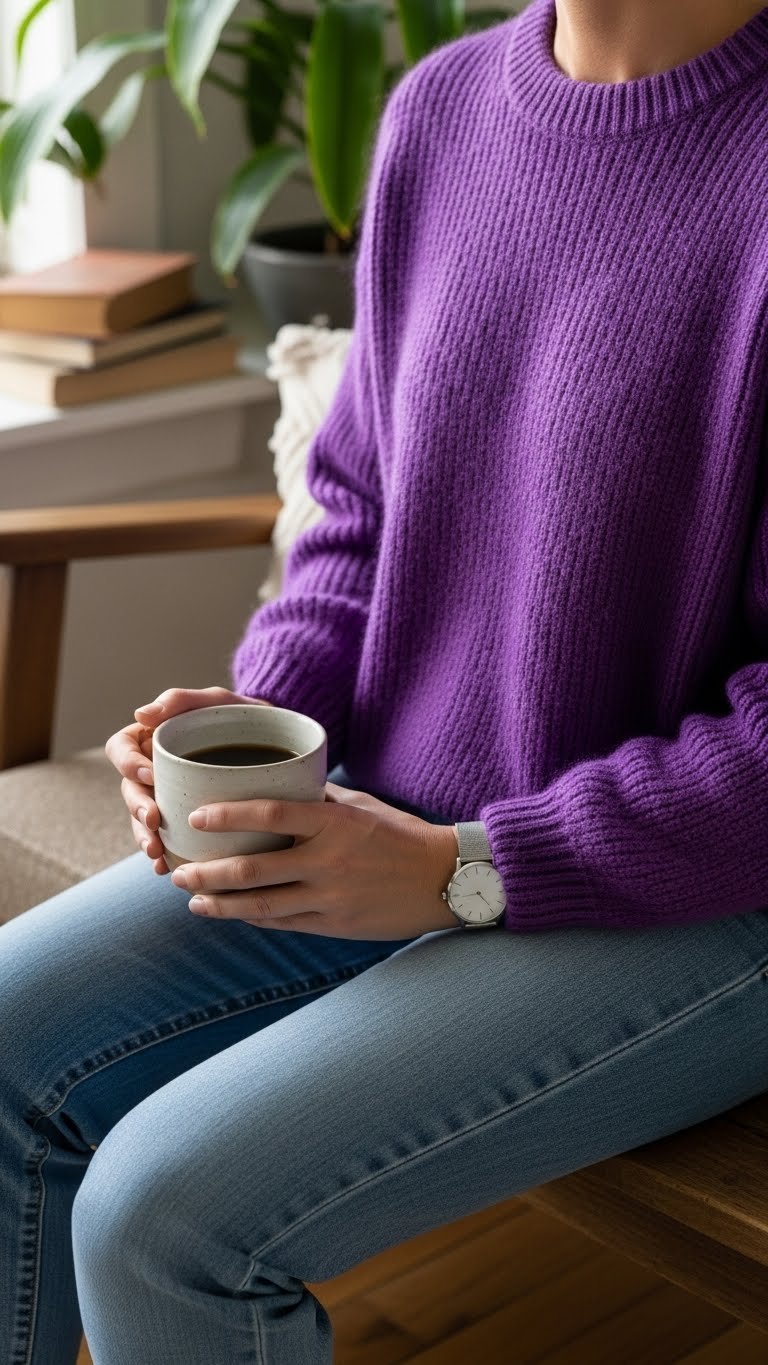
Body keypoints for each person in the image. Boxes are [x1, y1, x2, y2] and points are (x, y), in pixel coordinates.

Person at [4, 0, 768, 1359]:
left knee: (161, 1218)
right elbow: (356, 506)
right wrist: (268, 730)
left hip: (710, 885)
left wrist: (469, 869)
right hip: (404, 811)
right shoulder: (443, 108)